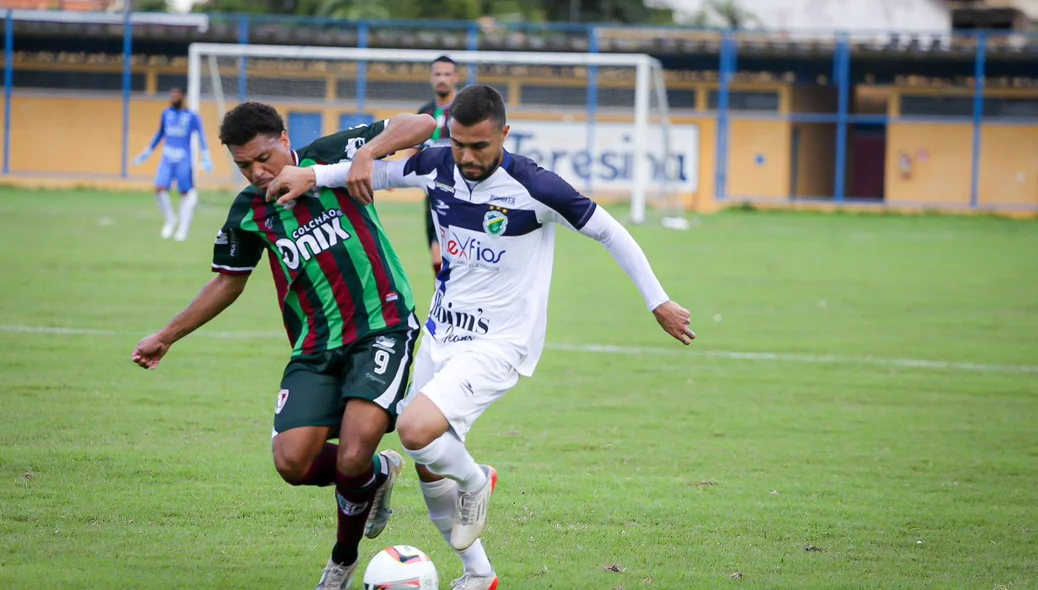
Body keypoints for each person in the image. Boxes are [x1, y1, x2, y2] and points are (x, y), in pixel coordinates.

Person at [266, 84, 696, 590]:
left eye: (479, 147)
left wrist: (658, 300)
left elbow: (609, 231)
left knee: (415, 431)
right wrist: (313, 174)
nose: (466, 157)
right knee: (429, 465)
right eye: (459, 144)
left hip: (498, 344)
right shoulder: (438, 165)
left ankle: (478, 480)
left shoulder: (535, 186)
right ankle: (479, 573)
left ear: (505, 135)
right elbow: (374, 173)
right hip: (441, 333)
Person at [131, 101, 438, 590]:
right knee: (292, 461)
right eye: (243, 165)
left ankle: (341, 562)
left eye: (263, 157)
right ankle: (380, 474)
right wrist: (165, 336)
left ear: (284, 139)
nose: (256, 171)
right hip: (315, 347)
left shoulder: (330, 155)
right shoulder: (249, 210)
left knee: (351, 454)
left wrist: (368, 155)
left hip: (383, 325)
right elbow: (227, 283)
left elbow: (423, 124)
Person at [132, 87, 214, 241]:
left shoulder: (191, 116)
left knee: (185, 193)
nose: (173, 97)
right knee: (159, 188)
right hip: (167, 158)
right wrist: (148, 152)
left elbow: (201, 135)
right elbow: (160, 133)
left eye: (176, 95)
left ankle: (183, 229)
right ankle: (171, 219)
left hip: (184, 159)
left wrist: (205, 155)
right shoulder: (166, 114)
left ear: (183, 97)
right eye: (172, 95)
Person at [415, 55, 460, 277]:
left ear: (456, 78)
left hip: (462, 192)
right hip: (433, 193)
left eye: (447, 74)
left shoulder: (465, 110)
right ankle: (443, 296)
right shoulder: (424, 114)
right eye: (438, 74)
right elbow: (413, 151)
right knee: (436, 254)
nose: (442, 79)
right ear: (431, 77)